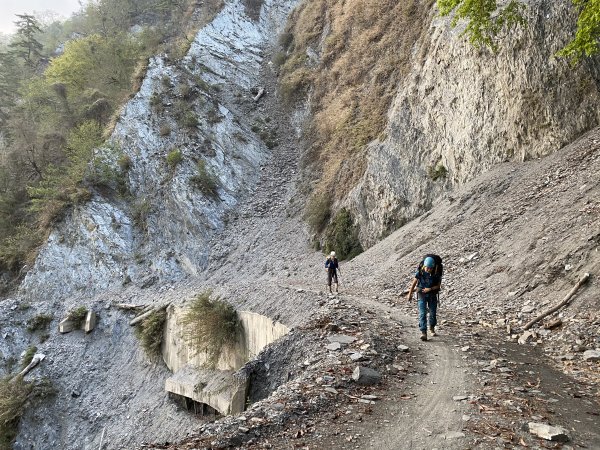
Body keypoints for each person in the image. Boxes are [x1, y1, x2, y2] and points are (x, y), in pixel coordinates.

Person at [406, 256, 441, 341]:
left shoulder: (436, 273)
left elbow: (438, 286)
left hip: (432, 294)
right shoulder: (420, 272)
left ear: (433, 268)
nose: (428, 269)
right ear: (424, 266)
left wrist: (430, 289)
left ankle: (432, 327)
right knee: (422, 313)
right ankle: (423, 332)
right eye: (427, 268)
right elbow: (414, 283)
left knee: (432, 312)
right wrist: (409, 294)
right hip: (421, 294)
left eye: (430, 268)